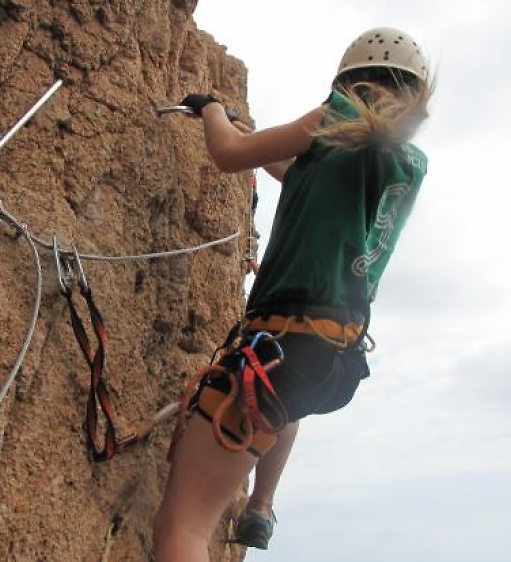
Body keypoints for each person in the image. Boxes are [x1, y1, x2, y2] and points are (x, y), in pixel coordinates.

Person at [154, 27, 432, 562]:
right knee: (287, 394)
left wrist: (212, 109)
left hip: (283, 343)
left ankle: (257, 502)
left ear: (351, 81)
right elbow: (301, 177)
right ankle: (261, 504)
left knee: (182, 526)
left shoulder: (338, 117)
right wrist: (252, 136)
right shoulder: (405, 162)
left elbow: (227, 154)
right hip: (330, 357)